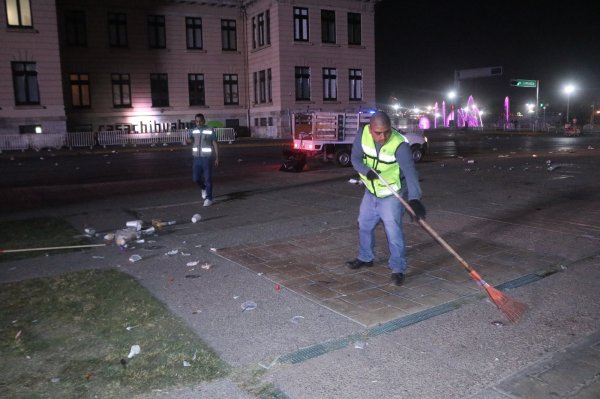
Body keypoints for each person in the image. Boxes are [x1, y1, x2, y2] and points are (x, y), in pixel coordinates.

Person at [347, 111, 426, 286]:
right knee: (364, 224)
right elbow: (355, 158)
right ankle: (365, 257)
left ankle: (398, 269)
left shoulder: (400, 145)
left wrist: (414, 199)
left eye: (387, 132)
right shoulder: (362, 134)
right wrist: (366, 171)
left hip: (392, 195)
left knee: (393, 232)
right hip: (371, 191)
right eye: (378, 133)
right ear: (370, 130)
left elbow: (410, 173)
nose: (383, 137)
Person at [187, 113, 219, 206]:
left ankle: (209, 198)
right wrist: (188, 141)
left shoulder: (209, 130)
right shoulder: (193, 131)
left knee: (208, 178)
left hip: (207, 159)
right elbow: (191, 139)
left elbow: (215, 144)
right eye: (197, 121)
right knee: (195, 179)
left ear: (204, 121)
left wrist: (217, 157)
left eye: (200, 121)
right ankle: (203, 188)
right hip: (196, 159)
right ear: (195, 122)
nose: (199, 123)